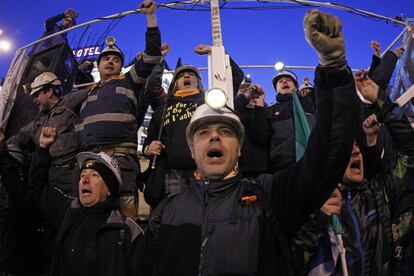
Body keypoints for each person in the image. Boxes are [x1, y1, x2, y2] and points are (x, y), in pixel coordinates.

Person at [138, 9, 360, 275]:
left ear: (240, 148)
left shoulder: (269, 197)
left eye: (226, 131)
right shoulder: (166, 212)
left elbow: (327, 157)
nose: (215, 136)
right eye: (204, 133)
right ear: (192, 150)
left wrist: (334, 68)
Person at [290, 71, 414, 275]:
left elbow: (409, 151)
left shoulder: (380, 192)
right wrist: (320, 220)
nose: (356, 151)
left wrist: (382, 101)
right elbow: (291, 259)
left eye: (357, 147)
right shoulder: (311, 206)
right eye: (346, 151)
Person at [1, 126, 143, 275]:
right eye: (82, 175)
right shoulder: (67, 211)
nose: (85, 180)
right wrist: (42, 149)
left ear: (110, 188)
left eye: (94, 175)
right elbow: (38, 188)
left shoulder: (127, 231)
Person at [75, 0, 163, 219]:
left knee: (125, 220)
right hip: (91, 162)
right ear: (98, 65)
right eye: (106, 59)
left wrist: (150, 17)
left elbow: (152, 56)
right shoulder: (87, 95)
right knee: (90, 217)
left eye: (116, 59)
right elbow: (78, 128)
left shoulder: (128, 81)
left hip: (122, 162)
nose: (110, 62)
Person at [142, 44, 244, 208]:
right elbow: (150, 139)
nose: (187, 76)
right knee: (172, 216)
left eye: (191, 74)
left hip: (205, 170)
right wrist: (148, 148)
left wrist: (216, 52)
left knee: (207, 215)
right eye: (182, 75)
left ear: (198, 81)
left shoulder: (210, 102)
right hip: (171, 173)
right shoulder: (164, 107)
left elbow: (236, 77)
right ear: (175, 83)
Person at [7, 71, 88, 195]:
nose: (34, 100)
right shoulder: (37, 122)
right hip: (50, 177)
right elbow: (18, 138)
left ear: (49, 92)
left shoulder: (70, 102)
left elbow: (98, 89)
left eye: (36, 95)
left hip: (72, 175)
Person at [234, 82, 270, 177]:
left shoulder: (264, 111)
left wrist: (259, 105)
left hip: (261, 168)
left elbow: (260, 136)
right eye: (243, 91)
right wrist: (246, 96)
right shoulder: (234, 111)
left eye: (250, 91)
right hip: (237, 166)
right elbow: (235, 108)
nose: (248, 93)